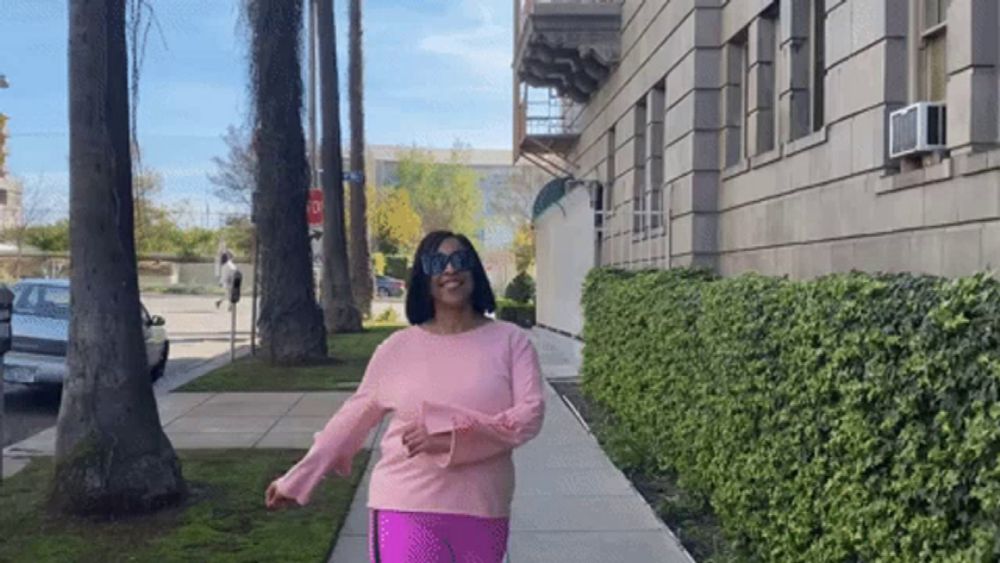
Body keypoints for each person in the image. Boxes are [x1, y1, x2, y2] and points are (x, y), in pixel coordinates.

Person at [265, 230, 546, 562]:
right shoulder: (397, 349)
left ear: (475, 270)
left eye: (460, 259)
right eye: (436, 262)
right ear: (422, 277)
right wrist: (298, 479)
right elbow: (351, 421)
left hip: (483, 508)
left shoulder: (511, 341)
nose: (450, 269)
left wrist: (448, 435)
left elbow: (529, 416)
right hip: (406, 506)